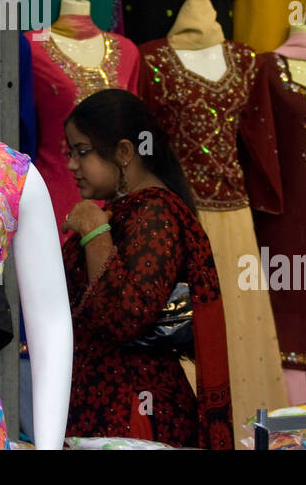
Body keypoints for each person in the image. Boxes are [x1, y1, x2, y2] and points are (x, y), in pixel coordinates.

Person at [60, 89, 233, 448]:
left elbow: (123, 315)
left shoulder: (155, 215)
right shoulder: (129, 211)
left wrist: (94, 230)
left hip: (137, 414)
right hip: (108, 406)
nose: (71, 165)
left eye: (82, 151)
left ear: (123, 152)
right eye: (70, 152)